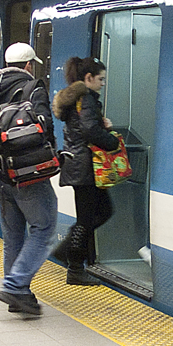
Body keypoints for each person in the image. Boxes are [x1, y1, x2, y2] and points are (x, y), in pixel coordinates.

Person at [0, 42, 57, 316]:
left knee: (13, 234)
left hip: (4, 172)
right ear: (29, 65)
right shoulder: (33, 87)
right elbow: (45, 127)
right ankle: (16, 286)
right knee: (44, 228)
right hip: (30, 173)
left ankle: (20, 293)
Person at [51, 56, 118, 286]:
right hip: (86, 167)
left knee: (90, 215)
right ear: (88, 78)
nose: (102, 83)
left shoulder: (74, 100)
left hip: (77, 165)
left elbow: (81, 128)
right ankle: (74, 264)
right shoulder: (86, 99)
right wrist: (112, 141)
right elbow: (89, 131)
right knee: (95, 214)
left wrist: (101, 124)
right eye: (100, 79)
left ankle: (71, 258)